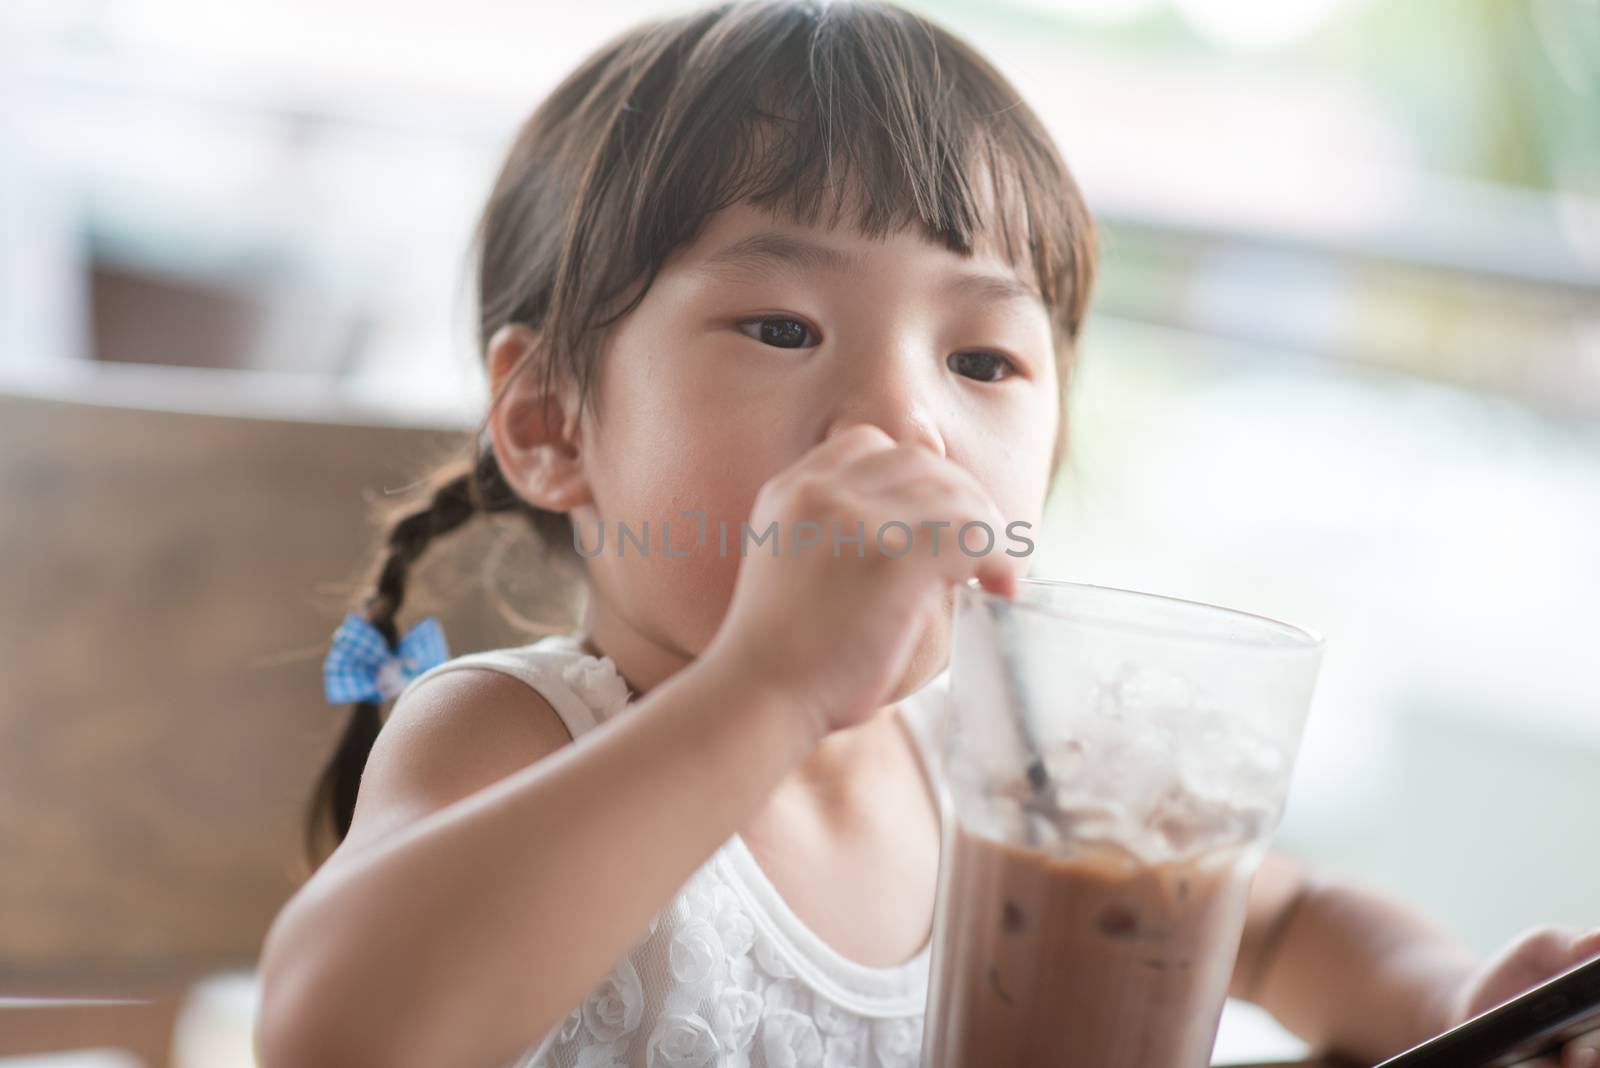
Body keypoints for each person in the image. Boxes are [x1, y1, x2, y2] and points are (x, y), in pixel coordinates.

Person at [254, 2, 1600, 1066]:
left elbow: (1286, 921)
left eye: (985, 360)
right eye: (781, 327)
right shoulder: (521, 731)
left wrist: (1455, 998)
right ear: (550, 422)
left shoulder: (1006, 775)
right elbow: (339, 1032)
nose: (906, 419)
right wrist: (768, 687)